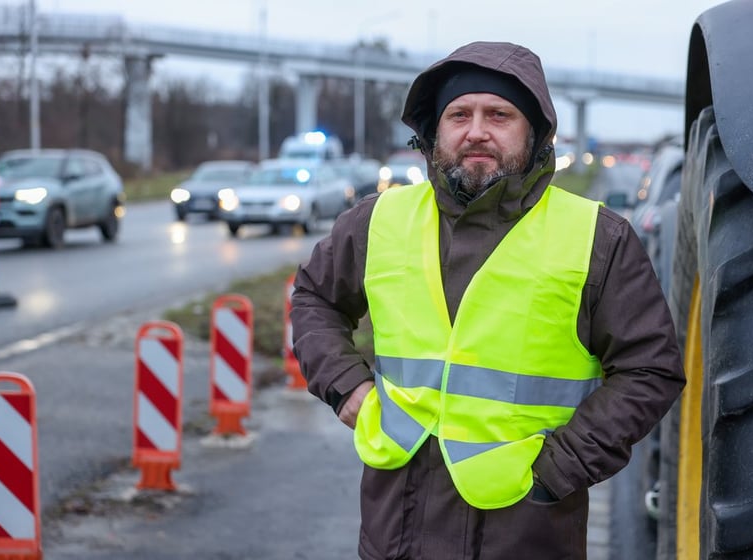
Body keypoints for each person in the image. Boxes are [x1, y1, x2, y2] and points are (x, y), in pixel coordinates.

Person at [290, 41, 685, 560]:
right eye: (459, 114)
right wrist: (347, 388)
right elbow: (313, 298)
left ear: (535, 133)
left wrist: (559, 468)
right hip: (395, 527)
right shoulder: (378, 220)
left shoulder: (597, 238)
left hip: (525, 532)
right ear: (434, 133)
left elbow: (650, 369)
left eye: (498, 114)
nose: (476, 130)